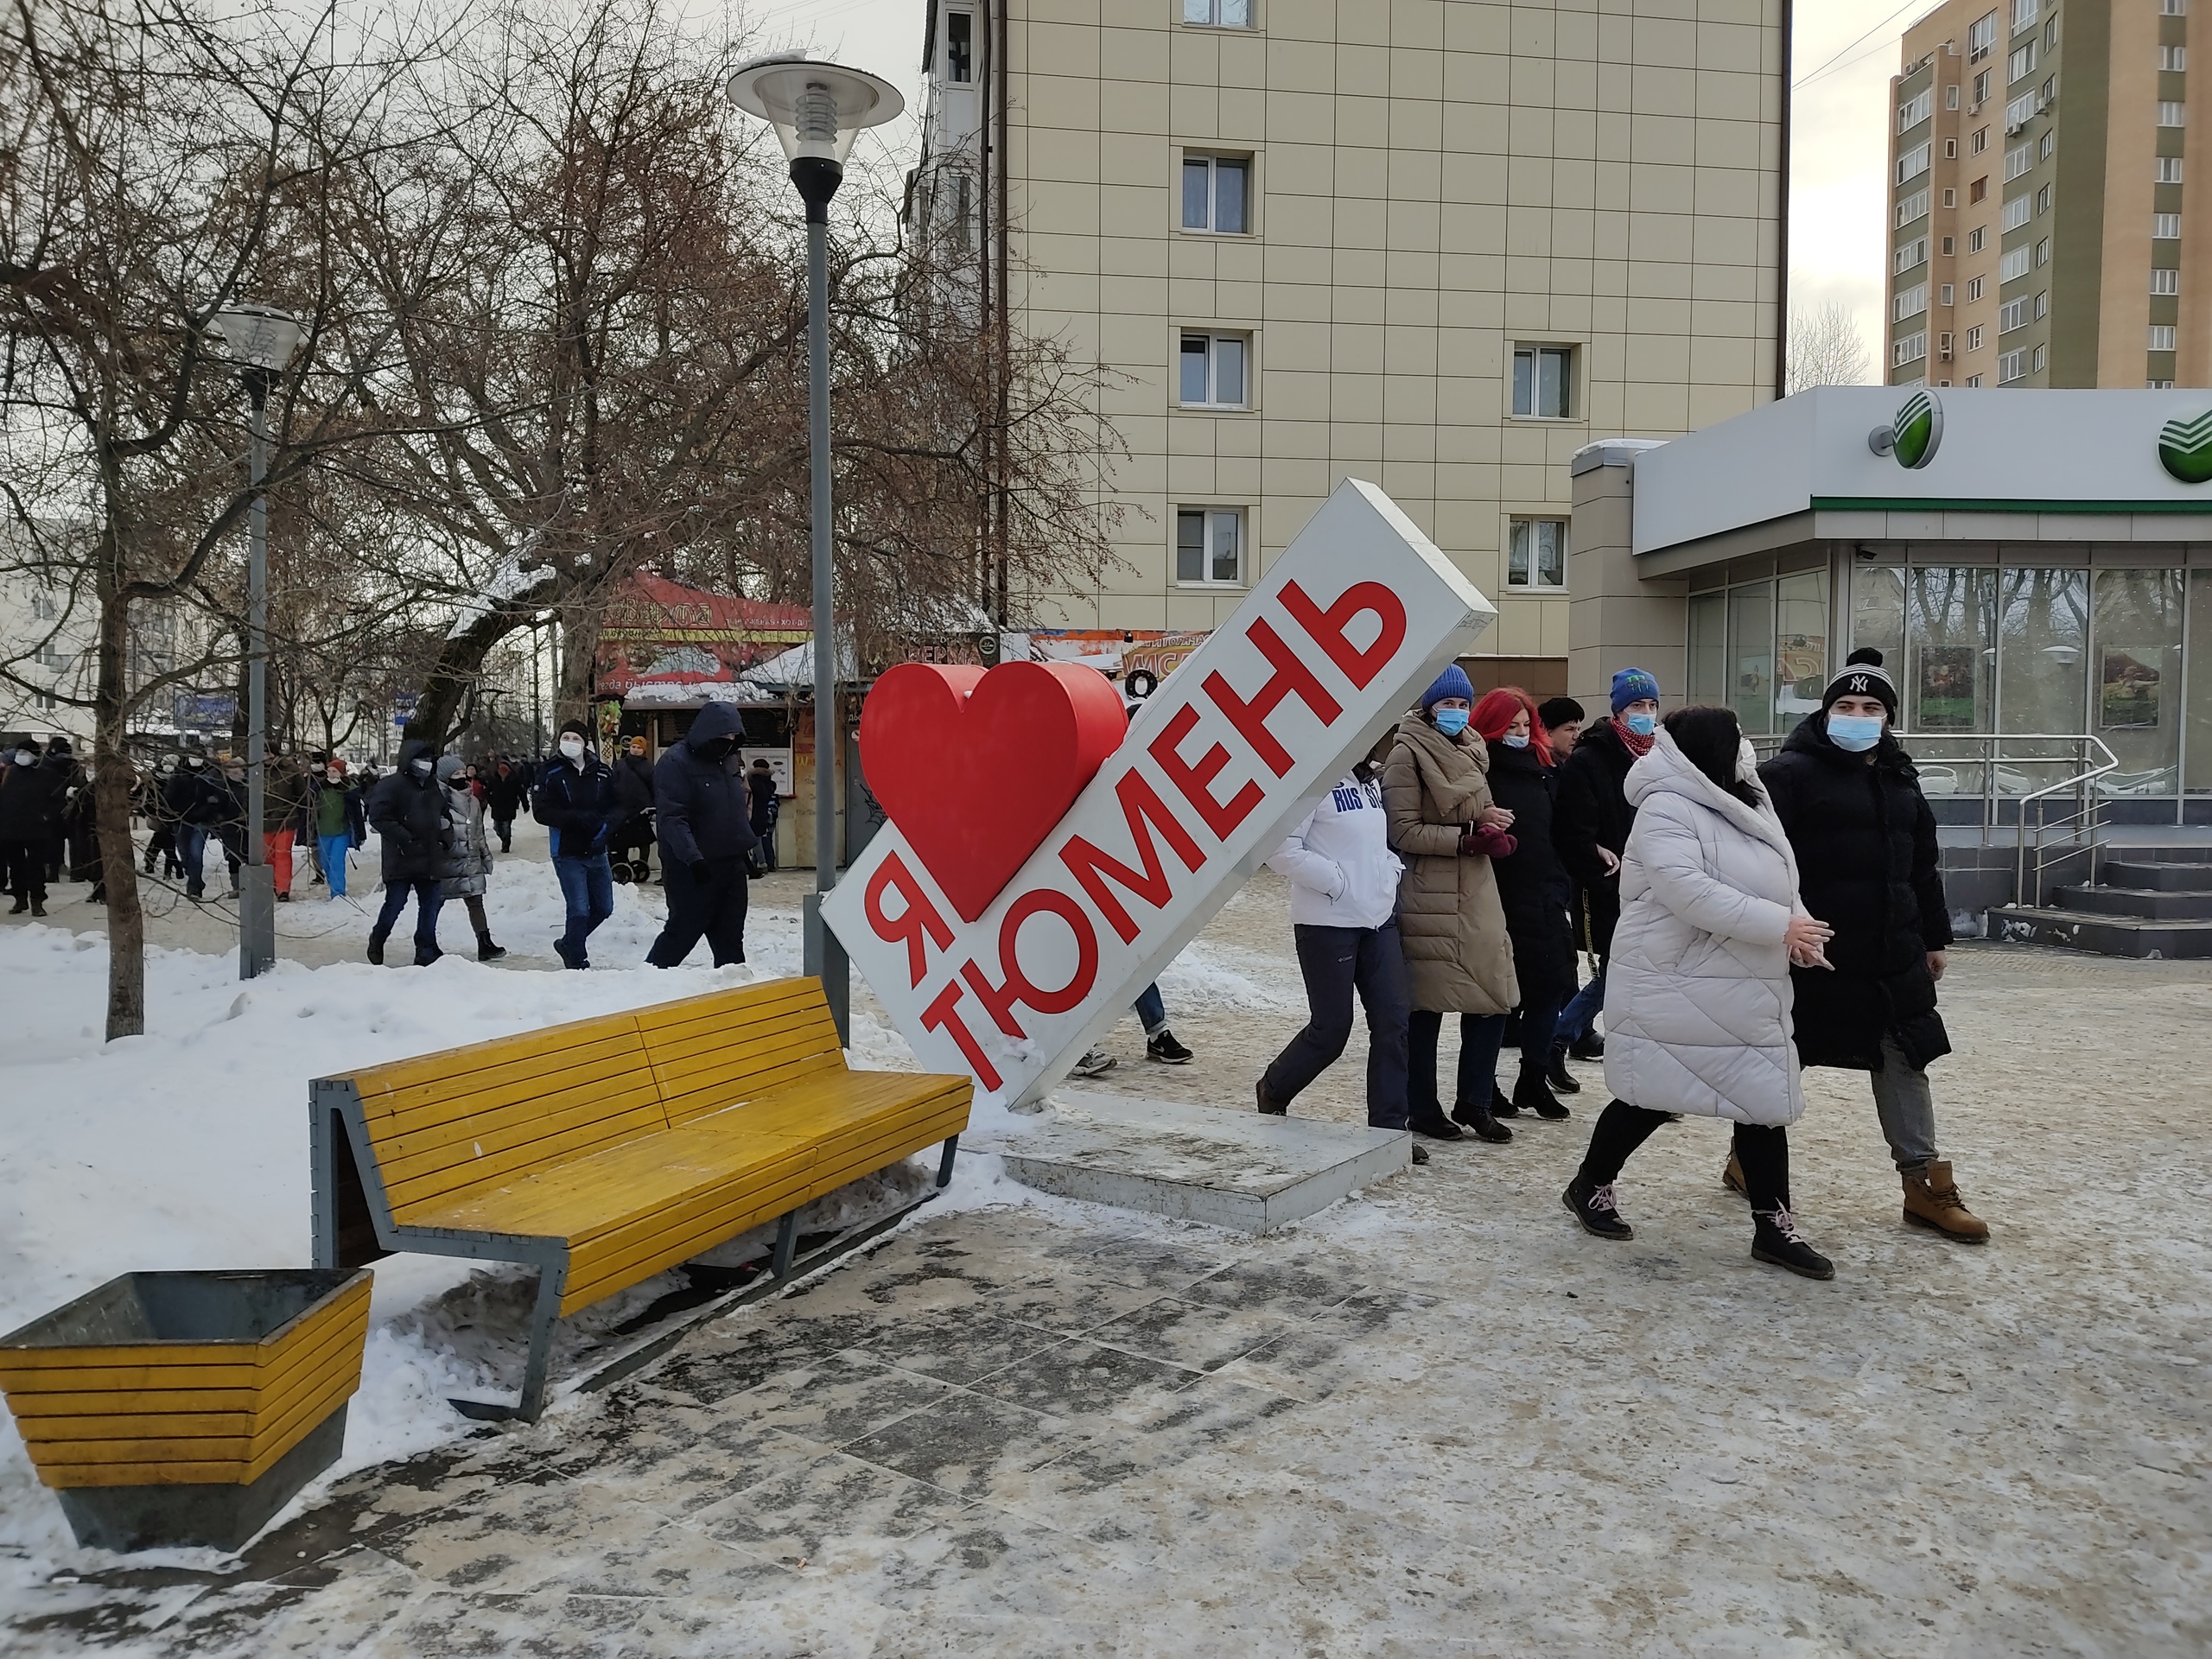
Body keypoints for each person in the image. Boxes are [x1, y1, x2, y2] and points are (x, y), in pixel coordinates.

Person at [1561, 706, 1840, 1281]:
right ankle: (1590, 1184)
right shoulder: (1667, 806)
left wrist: (1799, 931)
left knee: (1761, 1098)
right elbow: (1688, 891)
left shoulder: (1747, 801)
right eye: (1737, 738)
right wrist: (1776, 926)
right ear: (1712, 747)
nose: (1746, 749)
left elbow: (1779, 881)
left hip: (1743, 974)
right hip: (1674, 974)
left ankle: (1773, 1224)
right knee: (1651, 1094)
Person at [1758, 648, 1989, 1243]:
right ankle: (1748, 1160)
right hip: (1814, 953)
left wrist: (1935, 936)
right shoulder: (1787, 775)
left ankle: (1925, 1186)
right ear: (1826, 711)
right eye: (1845, 704)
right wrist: (1776, 927)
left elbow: (1923, 868)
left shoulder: (1901, 778)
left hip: (1891, 955)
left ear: (1888, 717)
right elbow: (1758, 863)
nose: (1857, 715)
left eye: (1870, 707)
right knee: (1780, 1062)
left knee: (1904, 1057)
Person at [1381, 664, 1520, 1143]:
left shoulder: (1474, 749)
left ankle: (1475, 1101)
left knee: (1494, 995)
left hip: (1477, 892)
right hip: (1430, 896)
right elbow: (1401, 831)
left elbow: (1477, 814)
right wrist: (1468, 837)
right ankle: (1422, 1106)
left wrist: (1492, 831)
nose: (1457, 713)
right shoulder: (1406, 754)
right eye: (1448, 705)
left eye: (1463, 704)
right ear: (1428, 707)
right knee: (1429, 1008)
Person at [1255, 765, 1422, 1158]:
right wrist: (1338, 883)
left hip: (1378, 920)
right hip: (1325, 921)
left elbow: (1372, 844)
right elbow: (1280, 851)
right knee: (1332, 1030)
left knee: (1394, 1022)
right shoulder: (1311, 781)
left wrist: (1388, 873)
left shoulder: (1368, 781)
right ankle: (1275, 1088)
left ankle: (1389, 1133)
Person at [1470, 688, 1576, 1121]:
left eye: (1524, 725)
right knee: (1501, 997)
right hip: (1500, 896)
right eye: (1509, 726)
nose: (1518, 733)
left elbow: (1561, 830)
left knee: (1554, 985)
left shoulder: (1546, 767)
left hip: (1546, 892)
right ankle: (1484, 1085)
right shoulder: (1482, 771)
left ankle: (1533, 1076)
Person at [1553, 669, 1662, 1066]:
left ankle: (1566, 1038)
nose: (1645, 713)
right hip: (1608, 884)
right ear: (1617, 711)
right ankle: (1560, 1037)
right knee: (1619, 973)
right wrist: (1595, 855)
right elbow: (1571, 828)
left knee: (1637, 977)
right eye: (1637, 706)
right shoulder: (1590, 759)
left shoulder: (1661, 754)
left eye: (1651, 705)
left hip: (1659, 883)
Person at [645, 704, 757, 967]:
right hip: (693, 869)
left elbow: (732, 810)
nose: (728, 744)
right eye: (723, 738)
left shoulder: (728, 760)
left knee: (730, 940)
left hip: (731, 866)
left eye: (733, 739)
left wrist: (744, 849)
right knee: (682, 934)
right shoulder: (675, 763)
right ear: (707, 733)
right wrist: (693, 858)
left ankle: (732, 993)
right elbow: (673, 817)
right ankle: (648, 984)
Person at [535, 719, 622, 969]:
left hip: (597, 849)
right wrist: (575, 818)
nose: (570, 743)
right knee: (579, 909)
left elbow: (616, 804)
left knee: (604, 907)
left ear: (585, 743)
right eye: (566, 738)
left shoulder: (602, 771)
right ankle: (576, 959)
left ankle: (568, 943)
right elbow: (541, 812)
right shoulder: (550, 771)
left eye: (576, 739)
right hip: (567, 851)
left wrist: (607, 827)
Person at [366, 739, 457, 966]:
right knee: (395, 903)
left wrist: (446, 836)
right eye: (422, 760)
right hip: (402, 857)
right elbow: (379, 818)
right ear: (410, 761)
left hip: (430, 857)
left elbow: (444, 814)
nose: (426, 764)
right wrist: (406, 838)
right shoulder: (391, 785)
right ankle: (378, 938)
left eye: (429, 760)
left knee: (430, 905)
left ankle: (425, 947)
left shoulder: (432, 786)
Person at [435, 754, 506, 961]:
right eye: (455, 774)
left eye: (462, 772)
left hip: (470, 858)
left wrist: (485, 855)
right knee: (436, 901)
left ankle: (484, 942)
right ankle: (425, 939)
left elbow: (478, 831)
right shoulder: (437, 801)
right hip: (446, 860)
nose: (461, 777)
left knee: (475, 900)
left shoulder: (473, 800)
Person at [1, 740, 61, 917]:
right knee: (15, 866)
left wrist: (47, 816)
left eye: (26, 752)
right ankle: (20, 899)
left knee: (36, 867)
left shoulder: (46, 774)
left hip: (36, 829)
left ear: (35, 755)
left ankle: (37, 901)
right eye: (20, 751)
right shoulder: (10, 772)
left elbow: (57, 800)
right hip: (10, 828)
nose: (21, 755)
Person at [306, 758, 366, 899]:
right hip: (323, 832)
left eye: (335, 771)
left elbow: (357, 814)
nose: (331, 774)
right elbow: (308, 809)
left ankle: (338, 892)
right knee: (325, 863)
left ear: (342, 773)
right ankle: (333, 881)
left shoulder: (349, 790)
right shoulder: (318, 788)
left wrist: (361, 834)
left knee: (336, 862)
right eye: (329, 771)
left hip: (341, 832)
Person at [261, 748, 312, 902]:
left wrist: (301, 811)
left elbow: (301, 794)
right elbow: (247, 794)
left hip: (286, 819)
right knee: (267, 856)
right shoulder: (255, 770)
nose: (265, 756)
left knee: (282, 854)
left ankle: (283, 889)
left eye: (268, 753)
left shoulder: (290, 770)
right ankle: (273, 885)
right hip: (263, 820)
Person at [611, 734, 657, 883]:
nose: (635, 749)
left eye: (639, 747)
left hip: (641, 810)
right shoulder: (620, 764)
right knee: (621, 841)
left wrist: (652, 805)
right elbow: (613, 782)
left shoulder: (649, 767)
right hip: (621, 809)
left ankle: (643, 864)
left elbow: (654, 787)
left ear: (643, 750)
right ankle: (622, 864)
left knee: (644, 840)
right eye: (633, 746)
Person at [143, 754, 186, 880]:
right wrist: (152, 812)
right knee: (166, 840)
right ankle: (174, 867)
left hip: (174, 815)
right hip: (158, 815)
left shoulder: (179, 779)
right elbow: (148, 797)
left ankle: (153, 860)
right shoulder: (154, 778)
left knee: (165, 840)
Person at [483, 756, 530, 853]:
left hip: (509, 806)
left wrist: (525, 804)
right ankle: (504, 839)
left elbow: (521, 792)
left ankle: (506, 844)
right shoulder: (494, 779)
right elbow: (487, 791)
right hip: (497, 806)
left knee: (506, 827)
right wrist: (490, 801)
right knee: (497, 827)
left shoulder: (514, 779)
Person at [747, 758, 779, 873]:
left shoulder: (752, 782)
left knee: (756, 839)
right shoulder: (769, 782)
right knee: (761, 838)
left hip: (753, 812)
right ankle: (755, 862)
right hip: (765, 813)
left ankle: (762, 864)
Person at [1538, 696, 1585, 760]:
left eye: (1578, 729)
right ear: (1548, 732)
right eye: (1570, 729)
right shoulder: (1534, 765)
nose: (1576, 736)